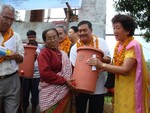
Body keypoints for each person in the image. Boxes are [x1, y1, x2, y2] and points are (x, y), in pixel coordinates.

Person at [86, 14, 150, 113]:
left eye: (118, 28)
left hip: (132, 88)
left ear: (128, 30)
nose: (115, 31)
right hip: (120, 86)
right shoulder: (118, 45)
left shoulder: (133, 45)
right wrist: (100, 67)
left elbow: (125, 70)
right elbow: (115, 65)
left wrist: (102, 65)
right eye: (114, 28)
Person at [70, 20, 111, 113]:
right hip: (80, 87)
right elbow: (73, 67)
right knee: (80, 110)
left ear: (91, 30)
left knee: (96, 110)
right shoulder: (74, 48)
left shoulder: (101, 42)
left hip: (98, 86)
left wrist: (100, 60)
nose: (82, 33)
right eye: (80, 31)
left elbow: (109, 59)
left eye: (85, 30)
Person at [37, 28, 75, 113]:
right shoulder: (44, 53)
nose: (52, 40)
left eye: (54, 37)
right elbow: (45, 74)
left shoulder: (63, 54)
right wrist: (64, 80)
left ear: (58, 38)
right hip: (50, 93)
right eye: (49, 38)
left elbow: (70, 69)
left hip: (64, 91)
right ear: (45, 41)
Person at [0, 4, 24, 113]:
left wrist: (16, 56)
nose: (8, 22)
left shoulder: (16, 36)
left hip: (12, 80)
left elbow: (22, 59)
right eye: (5, 17)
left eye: (11, 19)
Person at [22, 30, 40, 113]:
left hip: (36, 76)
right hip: (26, 75)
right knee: (24, 95)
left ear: (35, 37)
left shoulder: (41, 47)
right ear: (27, 38)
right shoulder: (24, 47)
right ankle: (24, 110)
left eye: (33, 37)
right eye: (29, 37)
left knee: (35, 95)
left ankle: (33, 110)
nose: (31, 38)